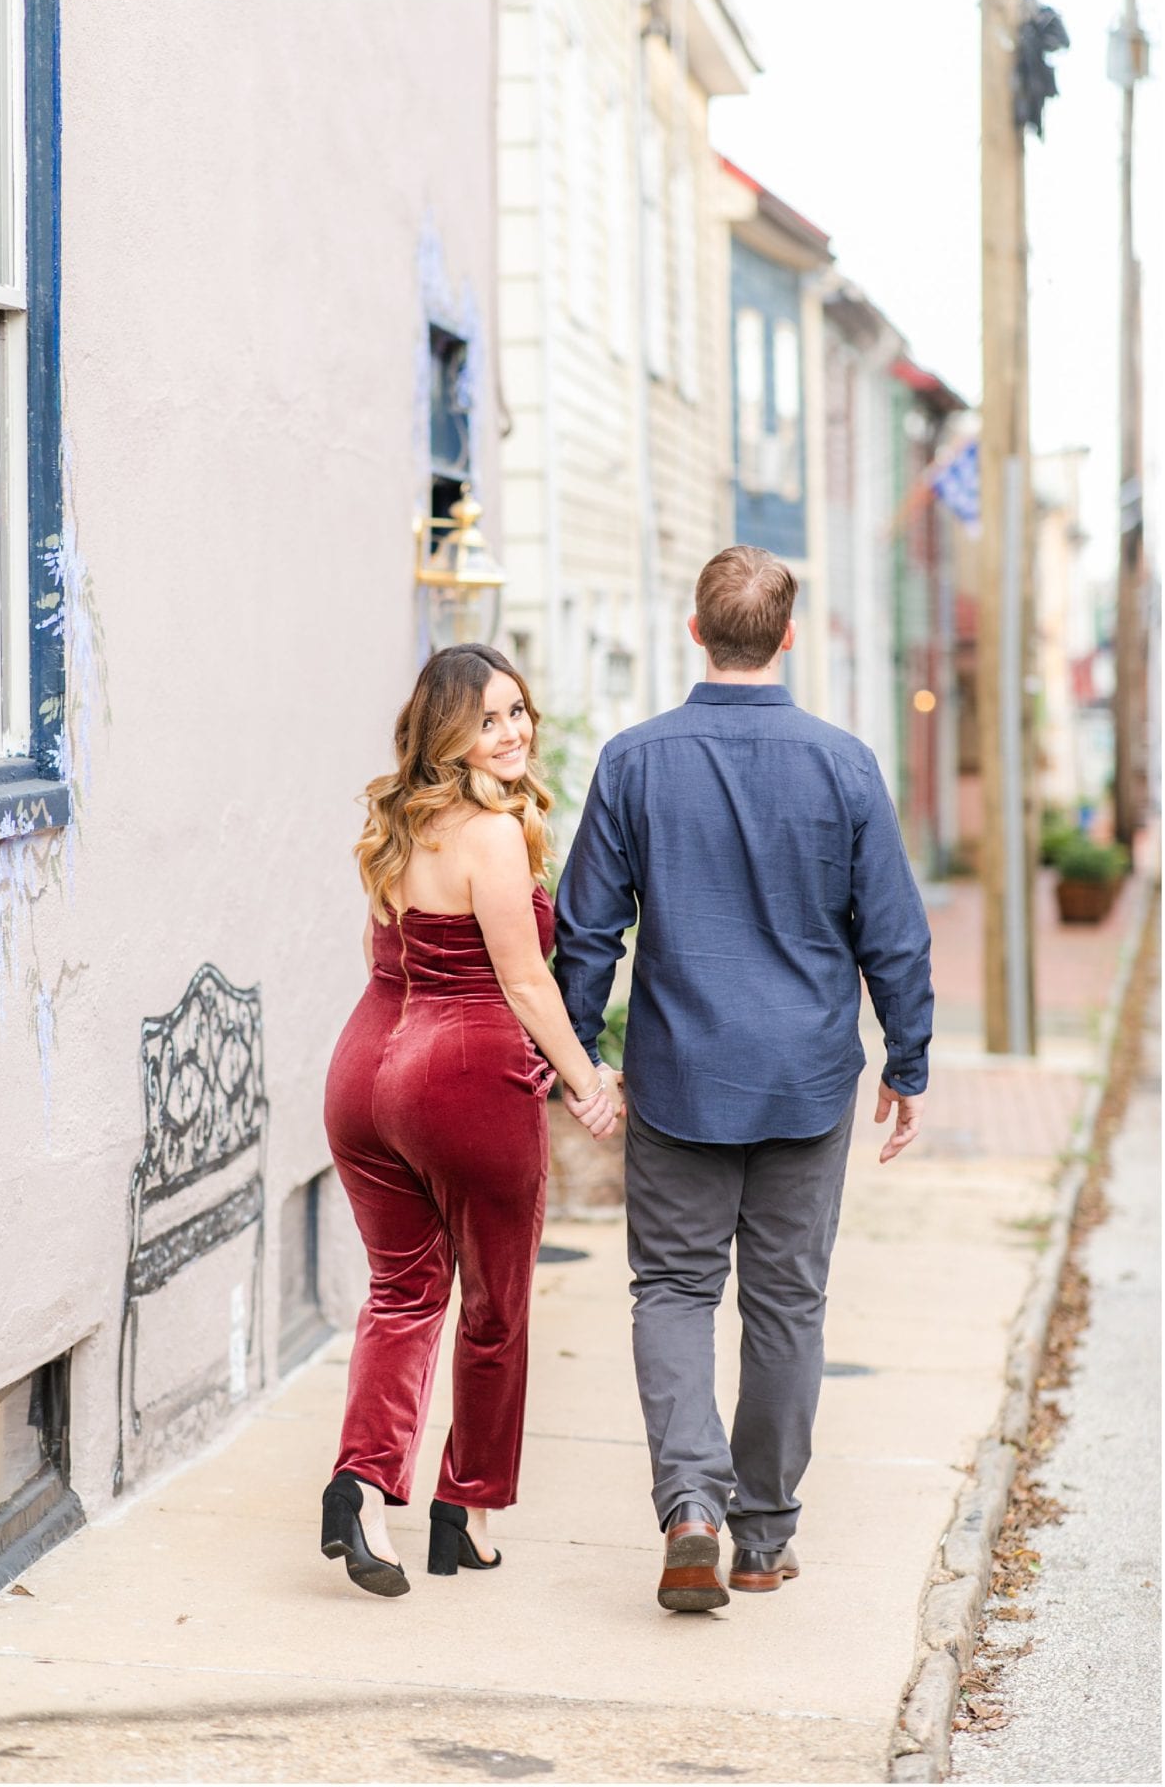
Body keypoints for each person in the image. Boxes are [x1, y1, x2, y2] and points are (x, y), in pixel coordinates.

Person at [553, 546, 933, 1613]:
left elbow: (586, 931)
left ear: (693, 631)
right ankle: (761, 1538)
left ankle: (691, 1510)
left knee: (672, 1289)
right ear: (788, 635)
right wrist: (906, 1059)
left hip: (680, 1074)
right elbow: (891, 935)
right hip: (805, 1079)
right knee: (785, 1305)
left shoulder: (633, 762)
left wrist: (579, 1061)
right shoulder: (843, 765)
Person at [321, 643, 621, 1597]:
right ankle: (467, 1510)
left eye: (519, 711)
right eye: (489, 718)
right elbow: (527, 983)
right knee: (494, 1307)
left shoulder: (399, 825)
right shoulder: (491, 836)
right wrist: (587, 1082)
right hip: (460, 1076)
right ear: (450, 733)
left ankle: (359, 1486)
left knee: (404, 1295)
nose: (514, 731)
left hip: (363, 1075)